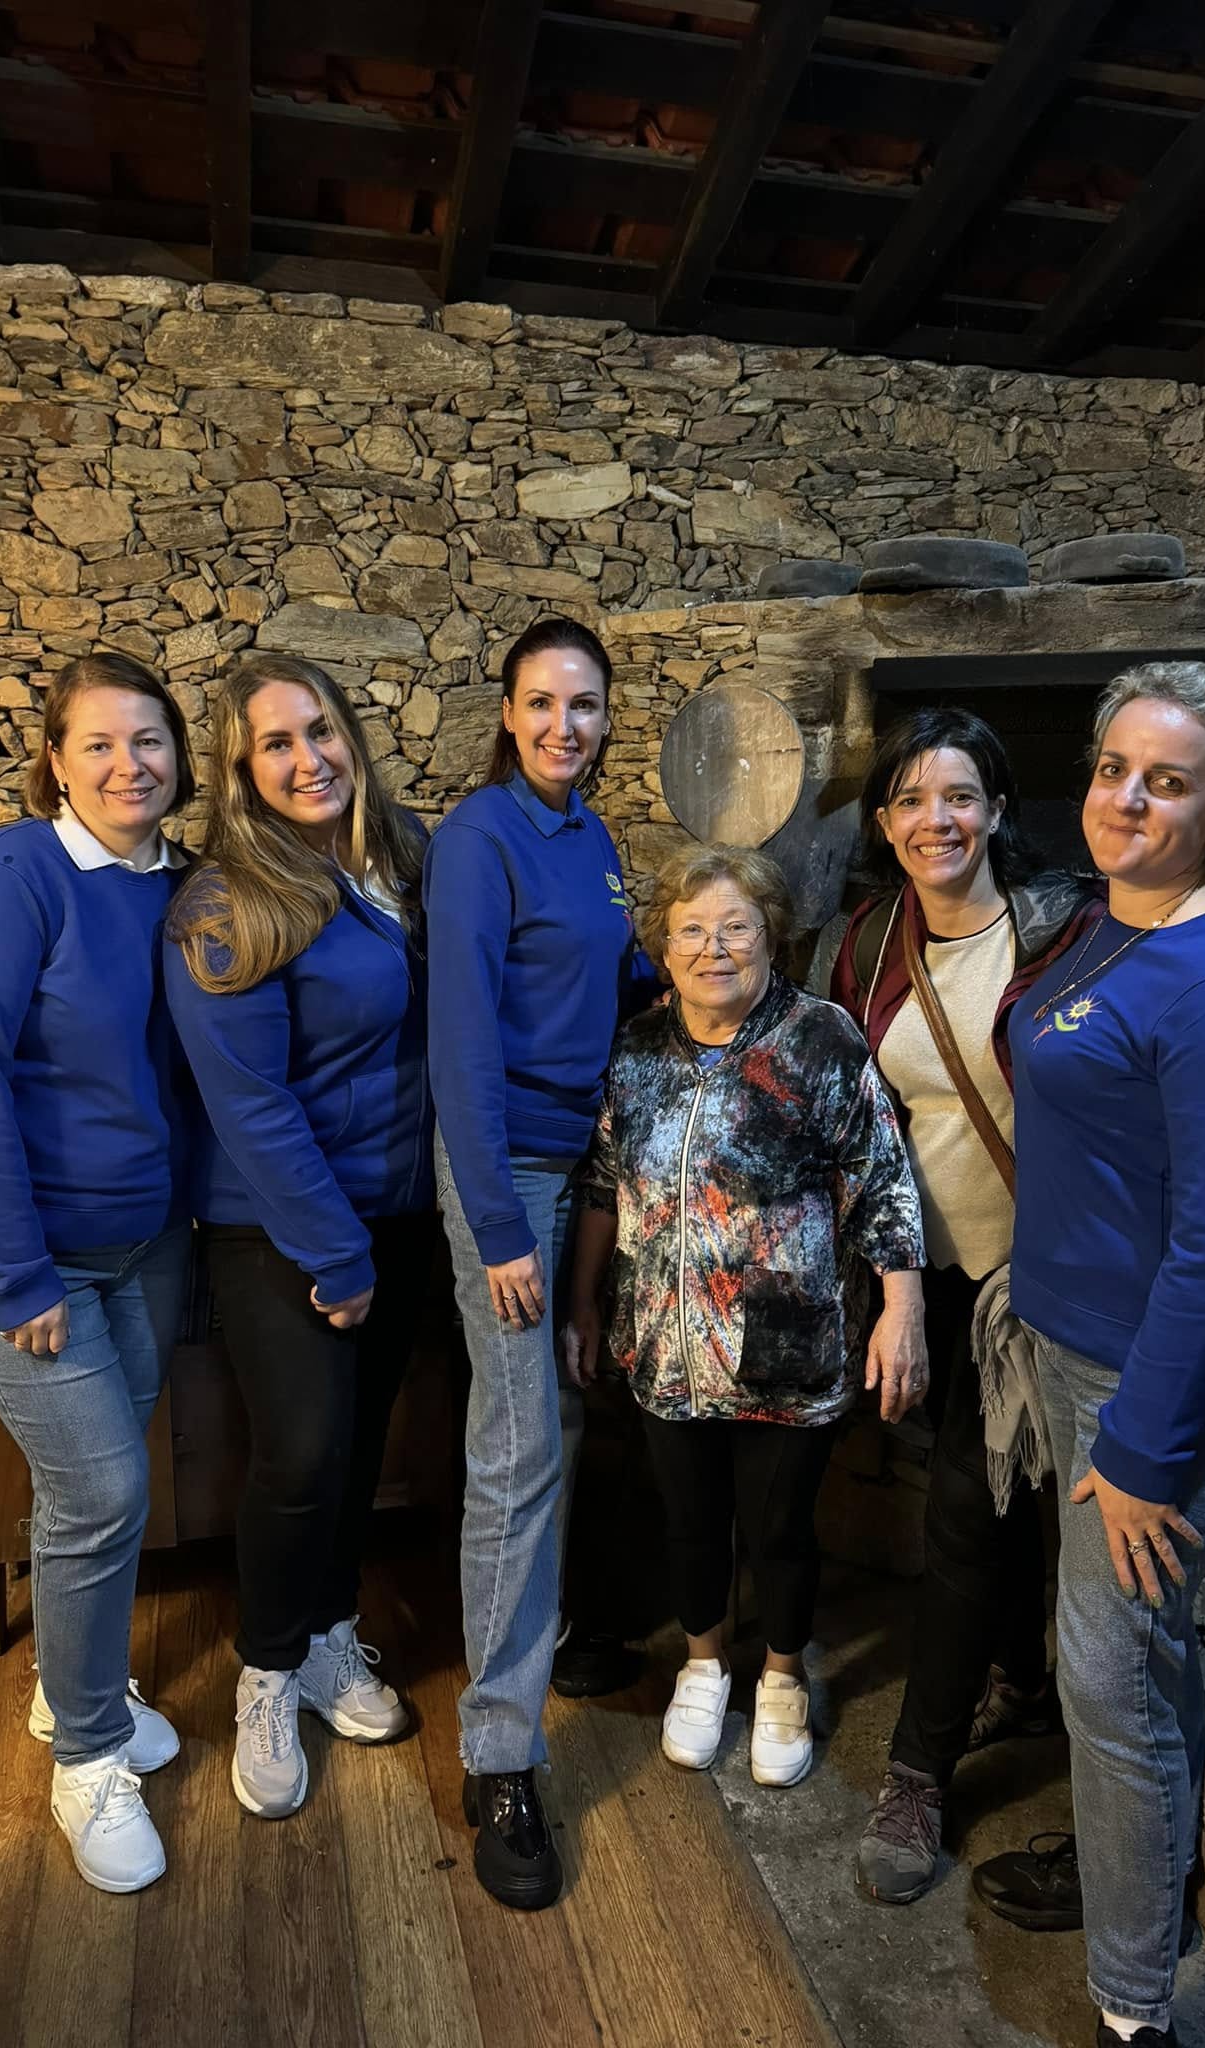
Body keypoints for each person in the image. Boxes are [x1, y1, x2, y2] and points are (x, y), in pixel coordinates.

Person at [991, 662, 1205, 2048]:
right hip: (1080, 1346)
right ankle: (1149, 1876)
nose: (1126, 797)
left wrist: (1140, 1449)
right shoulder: (1108, 921)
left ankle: (1133, 2009)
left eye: (1167, 781)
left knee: (1107, 1675)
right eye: (1114, 766)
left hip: (1154, 1381)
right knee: (1142, 1653)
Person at [0, 653, 195, 1894]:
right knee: (103, 1488)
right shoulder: (11, 878)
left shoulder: (179, 883)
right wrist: (19, 1274)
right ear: (57, 761)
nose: (131, 763)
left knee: (102, 1491)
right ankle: (84, 1754)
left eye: (151, 739)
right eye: (100, 743)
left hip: (145, 1243)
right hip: (23, 1255)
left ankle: (71, 1689)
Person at [566, 844, 926, 1791]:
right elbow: (604, 1184)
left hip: (785, 1348)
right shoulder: (638, 1050)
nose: (713, 947)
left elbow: (882, 1182)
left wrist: (902, 1310)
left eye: (736, 926)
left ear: (771, 937)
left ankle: (781, 1678)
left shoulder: (820, 1040)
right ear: (663, 947)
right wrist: (583, 1304)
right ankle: (702, 1665)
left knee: (779, 1530)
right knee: (690, 1522)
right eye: (691, 930)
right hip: (664, 1344)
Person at [819, 706, 1100, 1906]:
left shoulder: (1065, 930)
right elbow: (853, 1113)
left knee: (968, 1513)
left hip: (1034, 1275)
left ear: (995, 809)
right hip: (920, 1269)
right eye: (910, 799)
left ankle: (917, 1772)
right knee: (996, 1495)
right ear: (883, 821)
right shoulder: (866, 943)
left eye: (959, 795)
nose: (935, 819)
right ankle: (1024, 1683)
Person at [164, 655, 431, 1820]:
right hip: (280, 1224)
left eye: (320, 728)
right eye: (275, 742)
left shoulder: (399, 859)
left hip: (401, 1207)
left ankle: (327, 1633)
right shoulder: (224, 903)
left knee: (361, 1442)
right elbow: (251, 1105)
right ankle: (266, 1674)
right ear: (240, 769)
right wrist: (337, 1251)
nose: (308, 757)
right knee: (303, 1450)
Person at [424, 615, 654, 1911]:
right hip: (505, 1168)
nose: (565, 725)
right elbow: (459, 1039)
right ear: (508, 716)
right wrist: (501, 1229)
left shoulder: (594, 838)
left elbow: (614, 973)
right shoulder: (479, 839)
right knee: (516, 1449)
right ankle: (500, 1756)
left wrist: (698, 964)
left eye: (585, 705)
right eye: (543, 703)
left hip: (584, 1159)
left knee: (558, 1414)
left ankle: (542, 1634)